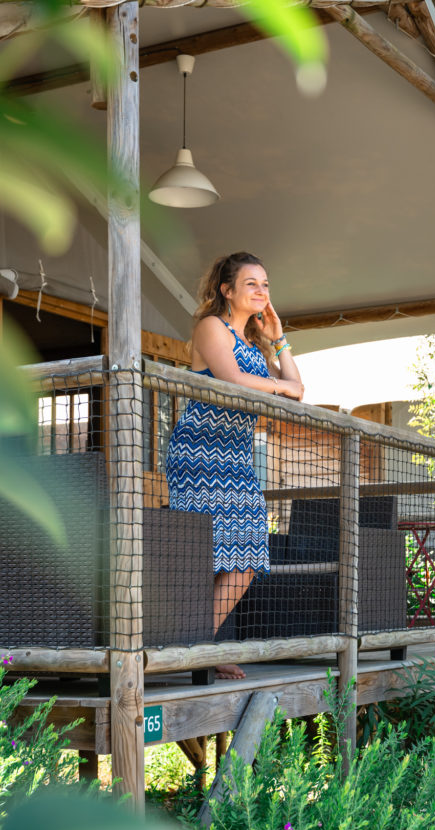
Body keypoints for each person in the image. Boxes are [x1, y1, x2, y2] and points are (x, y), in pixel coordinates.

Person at [166, 252, 304, 679]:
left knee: (245, 553)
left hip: (237, 457)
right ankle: (194, 645)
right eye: (251, 284)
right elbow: (230, 381)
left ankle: (194, 644)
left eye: (265, 284)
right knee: (207, 554)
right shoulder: (211, 328)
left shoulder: (253, 345)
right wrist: (280, 386)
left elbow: (299, 389)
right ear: (226, 290)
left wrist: (279, 339)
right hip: (199, 455)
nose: (262, 291)